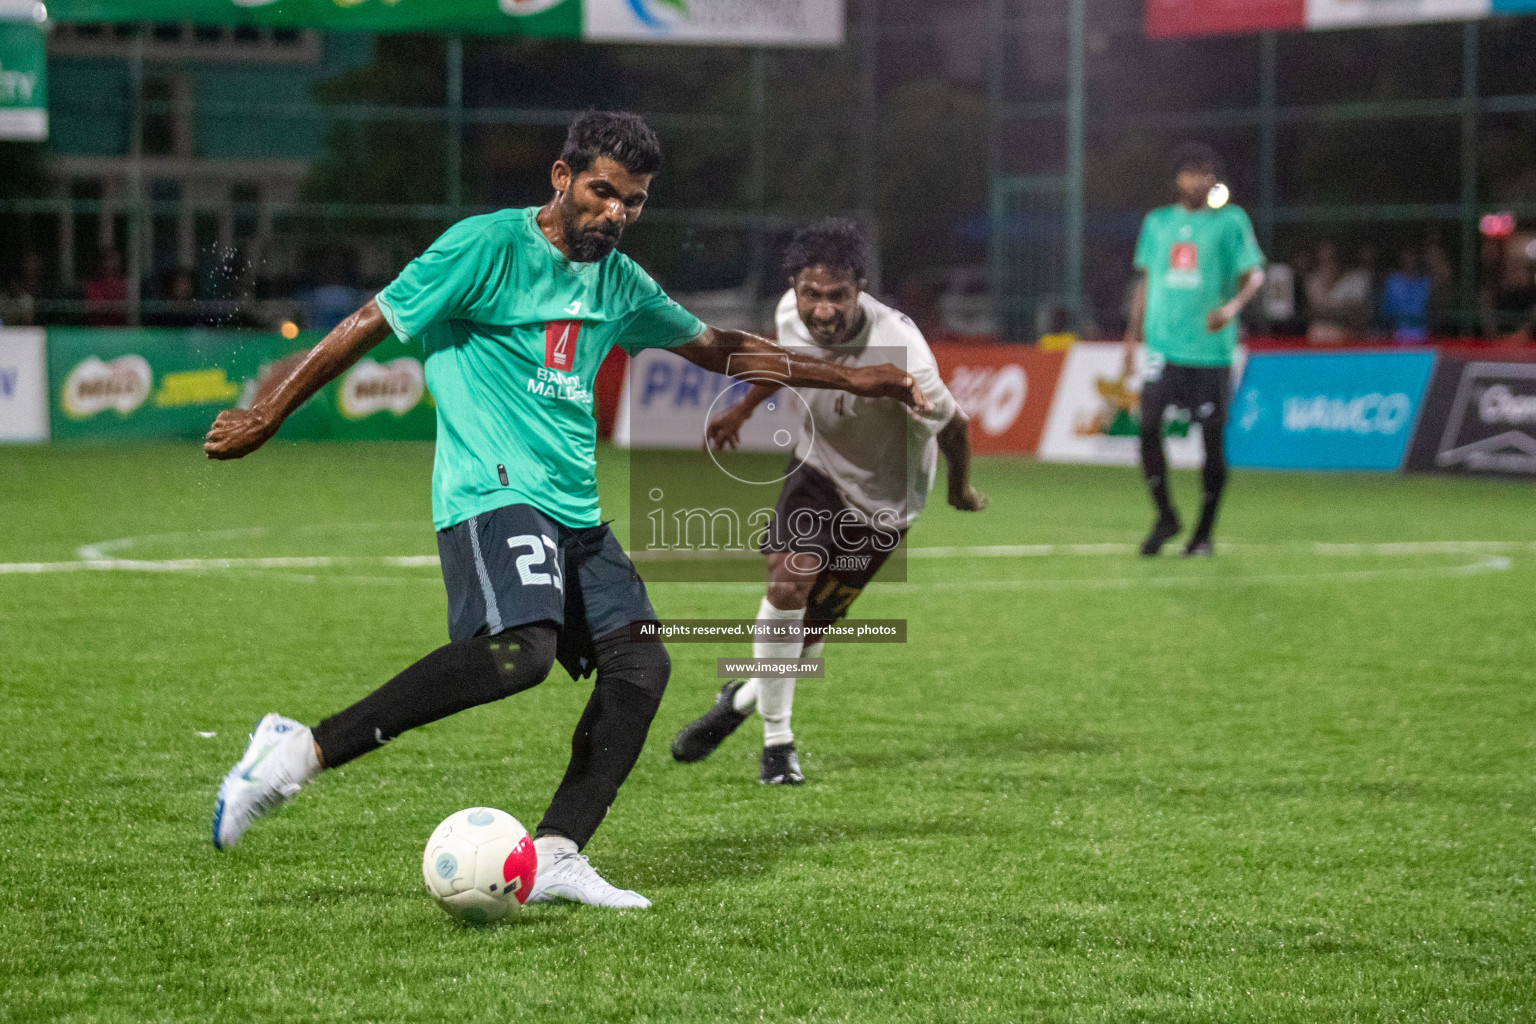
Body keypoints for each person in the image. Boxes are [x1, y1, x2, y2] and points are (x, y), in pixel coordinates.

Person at [202, 112, 929, 909]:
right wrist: (269, 411)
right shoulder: (484, 247)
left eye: (635, 201)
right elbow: (369, 322)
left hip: (575, 512)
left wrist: (851, 378)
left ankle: (555, 853)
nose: (616, 213)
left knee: (642, 666)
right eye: (603, 192)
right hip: (492, 492)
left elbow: (720, 347)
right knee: (520, 652)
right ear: (562, 178)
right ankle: (294, 753)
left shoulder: (618, 281)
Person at [669, 219, 986, 784]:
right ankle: (777, 744)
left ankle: (738, 700)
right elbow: (785, 363)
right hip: (816, 467)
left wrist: (959, 489)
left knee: (806, 639)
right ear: (793, 285)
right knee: (788, 582)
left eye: (837, 296)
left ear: (860, 288)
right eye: (811, 293)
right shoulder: (789, 315)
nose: (821, 310)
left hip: (886, 502)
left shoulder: (904, 350)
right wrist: (742, 410)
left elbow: (955, 426)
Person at [1122, 143, 1265, 558]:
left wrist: (1231, 308)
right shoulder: (1157, 223)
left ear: (1213, 180)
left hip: (1210, 352)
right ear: (1177, 179)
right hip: (1162, 348)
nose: (1196, 180)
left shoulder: (1231, 221)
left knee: (1212, 439)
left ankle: (1203, 532)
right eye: (1189, 172)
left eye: (1205, 173)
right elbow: (1145, 283)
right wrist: (1131, 338)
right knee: (1147, 427)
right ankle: (1166, 515)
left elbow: (1254, 275)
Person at [1380, 247, 1433, 343]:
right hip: (1397, 334)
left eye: (1413, 256)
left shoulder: (1425, 282)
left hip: (1422, 335)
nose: (1410, 259)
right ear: (1402, 258)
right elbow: (1387, 313)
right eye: (1407, 256)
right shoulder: (1392, 281)